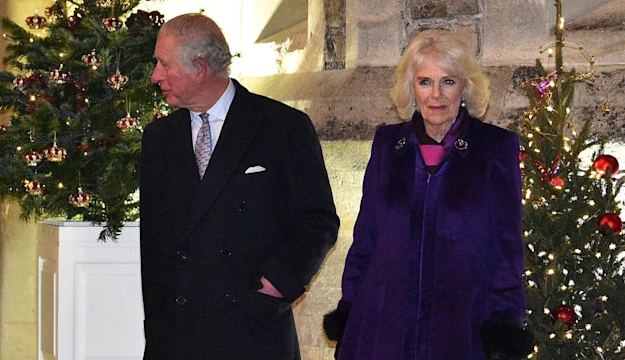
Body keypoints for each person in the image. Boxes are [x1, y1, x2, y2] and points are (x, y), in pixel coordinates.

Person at [323, 29, 533, 359]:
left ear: (464, 87)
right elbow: (366, 238)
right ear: (412, 87)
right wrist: (350, 306)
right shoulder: (388, 145)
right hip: (383, 326)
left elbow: (507, 248)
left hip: (460, 326)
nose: (436, 94)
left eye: (448, 81)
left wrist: (505, 321)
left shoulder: (494, 148)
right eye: (425, 82)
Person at [140, 13, 339, 360]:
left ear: (199, 69)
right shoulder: (159, 139)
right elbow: (155, 244)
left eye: (164, 64)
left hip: (253, 332)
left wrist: (276, 285)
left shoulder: (283, 127)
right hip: (177, 336)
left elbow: (318, 220)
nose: (156, 75)